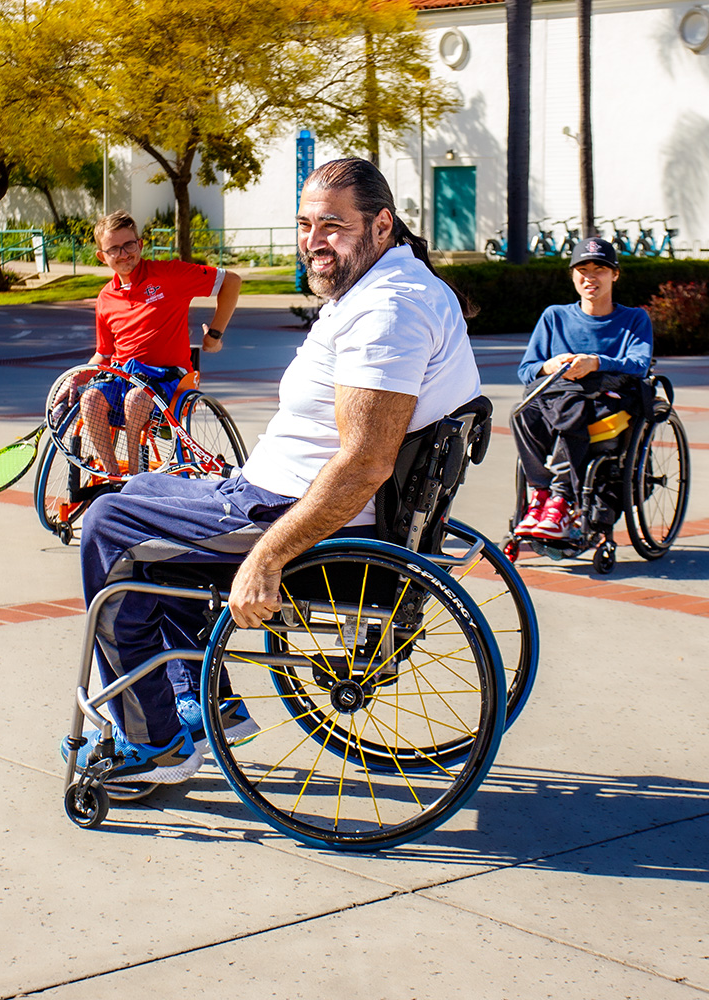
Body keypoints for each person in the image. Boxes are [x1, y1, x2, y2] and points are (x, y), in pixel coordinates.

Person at [62, 158, 483, 785]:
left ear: (382, 224)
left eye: (333, 226)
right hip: (277, 491)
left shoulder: (388, 312)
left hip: (288, 511)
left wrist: (265, 558)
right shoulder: (391, 286)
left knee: (107, 525)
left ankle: (157, 744)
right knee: (147, 488)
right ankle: (212, 705)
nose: (314, 241)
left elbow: (366, 463)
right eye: (305, 224)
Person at [70, 211, 241, 476]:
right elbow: (103, 354)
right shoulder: (105, 298)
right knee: (90, 399)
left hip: (169, 377)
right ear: (102, 256)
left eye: (129, 244)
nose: (124, 253)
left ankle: (136, 479)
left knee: (137, 398)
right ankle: (114, 475)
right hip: (124, 375)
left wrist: (215, 335)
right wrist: (77, 377)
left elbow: (231, 281)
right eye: (114, 248)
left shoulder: (170, 274)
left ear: (140, 244)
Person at [510, 237, 652, 541]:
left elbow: (639, 364)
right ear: (573, 275)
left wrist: (596, 362)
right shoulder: (555, 316)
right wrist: (550, 365)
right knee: (522, 413)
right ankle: (542, 495)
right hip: (557, 395)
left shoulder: (634, 318)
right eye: (582, 269)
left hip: (608, 396)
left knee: (569, 408)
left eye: (599, 269)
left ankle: (562, 499)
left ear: (615, 275)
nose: (590, 277)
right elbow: (527, 370)